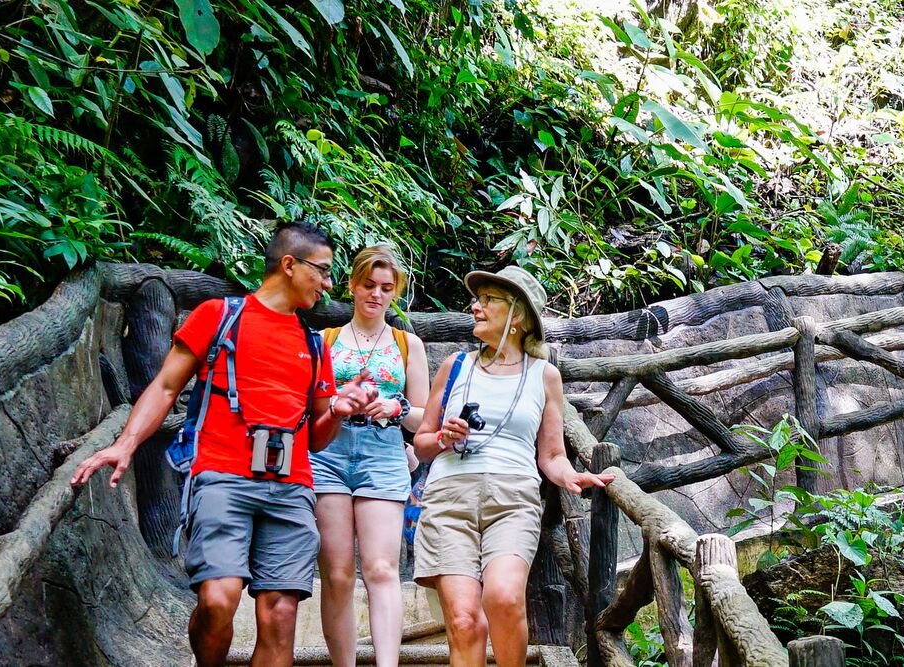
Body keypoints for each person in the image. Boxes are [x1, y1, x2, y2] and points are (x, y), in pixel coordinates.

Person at [70, 221, 375, 667]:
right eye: (323, 270)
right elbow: (166, 386)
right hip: (221, 476)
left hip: (291, 487)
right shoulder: (219, 316)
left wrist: (339, 412)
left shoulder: (314, 345)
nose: (329, 285)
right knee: (218, 600)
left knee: (280, 614)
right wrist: (125, 444)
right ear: (289, 265)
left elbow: (317, 439)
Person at [409, 266, 613, 667]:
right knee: (464, 620)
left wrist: (571, 475)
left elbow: (551, 455)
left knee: (502, 597)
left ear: (517, 315)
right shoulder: (455, 366)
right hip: (449, 498)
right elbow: (423, 443)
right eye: (477, 298)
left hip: (513, 499)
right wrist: (445, 437)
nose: (476, 306)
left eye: (488, 300)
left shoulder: (544, 375)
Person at [312, 245, 430, 667]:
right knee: (338, 573)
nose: (376, 294)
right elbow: (309, 409)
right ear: (352, 285)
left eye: (385, 287)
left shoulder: (407, 344)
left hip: (383, 453)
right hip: (329, 452)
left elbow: (424, 417)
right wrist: (338, 404)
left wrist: (396, 407)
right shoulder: (324, 341)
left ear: (394, 292)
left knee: (381, 568)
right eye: (368, 285)